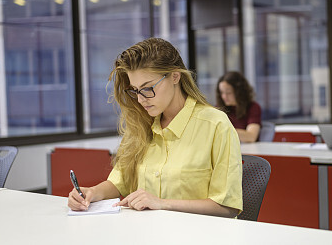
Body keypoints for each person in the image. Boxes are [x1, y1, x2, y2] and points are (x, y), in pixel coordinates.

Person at [68, 38, 242, 218]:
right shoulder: (141, 125)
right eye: (135, 90)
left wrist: (162, 203)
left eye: (148, 88)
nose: (141, 99)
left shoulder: (215, 125)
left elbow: (227, 207)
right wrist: (92, 192)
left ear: (175, 76)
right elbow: (119, 183)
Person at [216, 71, 262, 143]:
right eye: (222, 92)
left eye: (228, 93)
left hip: (248, 150)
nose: (224, 96)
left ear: (239, 92)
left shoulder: (253, 107)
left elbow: (251, 136)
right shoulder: (219, 109)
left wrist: (224, 130)